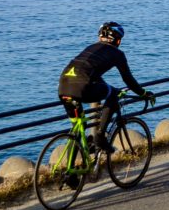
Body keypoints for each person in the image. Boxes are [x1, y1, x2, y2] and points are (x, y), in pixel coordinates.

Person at [58, 21, 155, 154]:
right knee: (112, 94)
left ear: (100, 37)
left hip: (63, 87)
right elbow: (128, 79)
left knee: (78, 127)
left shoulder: (91, 48)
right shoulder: (117, 53)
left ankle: (71, 173)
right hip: (82, 88)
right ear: (117, 40)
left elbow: (90, 73)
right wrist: (143, 93)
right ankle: (100, 136)